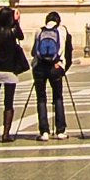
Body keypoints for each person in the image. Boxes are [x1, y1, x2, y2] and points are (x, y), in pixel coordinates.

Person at [0, 6, 29, 142]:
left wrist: (2, 18)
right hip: (10, 70)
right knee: (8, 104)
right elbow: (21, 36)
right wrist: (16, 21)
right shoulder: (13, 32)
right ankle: (5, 134)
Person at [31, 10, 73, 141]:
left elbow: (34, 52)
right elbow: (68, 52)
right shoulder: (63, 31)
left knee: (41, 98)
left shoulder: (39, 31)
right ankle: (60, 130)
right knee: (58, 97)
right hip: (56, 67)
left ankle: (44, 131)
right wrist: (63, 68)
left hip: (40, 68)